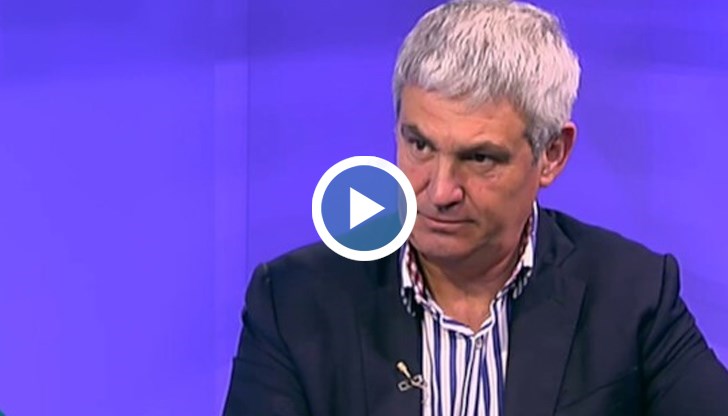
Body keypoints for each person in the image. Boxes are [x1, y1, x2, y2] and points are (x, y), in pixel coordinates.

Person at [223, 1, 728, 415]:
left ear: (552, 154)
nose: (440, 191)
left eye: (480, 158)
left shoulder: (631, 295)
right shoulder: (294, 301)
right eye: (420, 145)